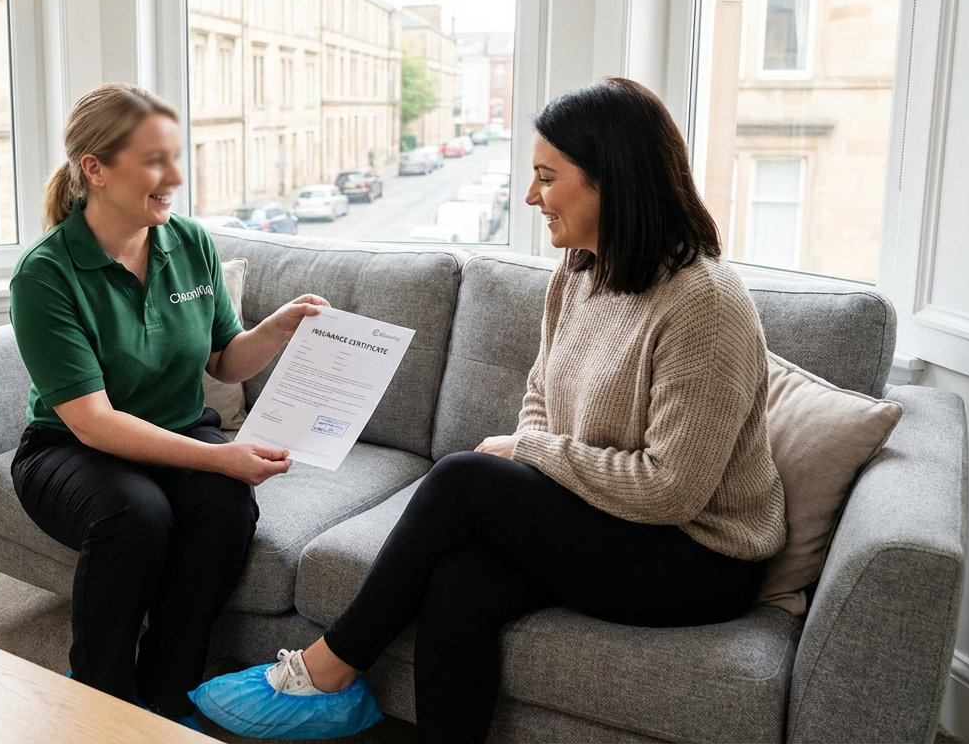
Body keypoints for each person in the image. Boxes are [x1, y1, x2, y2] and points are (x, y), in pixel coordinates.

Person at [190, 77, 787, 743]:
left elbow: (671, 490)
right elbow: (540, 395)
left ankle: (329, 669)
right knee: (457, 582)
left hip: (697, 557)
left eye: (546, 176)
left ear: (610, 181)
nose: (532, 196)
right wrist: (532, 459)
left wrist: (527, 457)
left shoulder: (705, 304)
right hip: (607, 517)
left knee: (462, 479)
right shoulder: (581, 269)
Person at [7, 82, 329, 730]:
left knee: (227, 505)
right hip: (69, 449)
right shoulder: (45, 274)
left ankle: (168, 690)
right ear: (95, 169)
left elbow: (223, 360)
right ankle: (99, 695)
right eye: (156, 160)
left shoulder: (189, 242)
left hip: (178, 428)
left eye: (175, 157)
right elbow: (92, 421)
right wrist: (218, 456)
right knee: (137, 515)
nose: (175, 176)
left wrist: (278, 330)